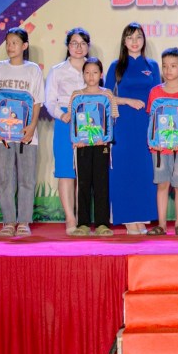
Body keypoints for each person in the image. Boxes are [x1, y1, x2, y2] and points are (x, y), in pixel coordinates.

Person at [0, 27, 44, 238]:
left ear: (24, 46)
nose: (10, 47)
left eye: (15, 43)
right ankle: (9, 221)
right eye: (8, 43)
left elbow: (37, 102)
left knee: (27, 178)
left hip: (27, 135)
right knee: (5, 178)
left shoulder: (33, 70)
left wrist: (32, 126)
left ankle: (24, 221)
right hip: (2, 134)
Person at [105, 23, 160, 236]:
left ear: (144, 40)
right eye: (130, 37)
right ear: (124, 42)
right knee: (124, 169)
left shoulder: (152, 65)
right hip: (123, 125)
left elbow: (158, 95)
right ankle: (127, 218)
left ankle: (142, 217)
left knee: (145, 171)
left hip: (147, 124)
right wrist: (127, 101)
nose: (134, 42)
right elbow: (106, 96)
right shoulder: (116, 66)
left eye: (138, 37)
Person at [63, 57, 118, 237]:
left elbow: (113, 118)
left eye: (95, 72)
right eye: (87, 72)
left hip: (102, 145)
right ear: (83, 75)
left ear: (101, 75)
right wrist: (76, 139)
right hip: (82, 146)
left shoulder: (107, 94)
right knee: (83, 184)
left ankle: (102, 223)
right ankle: (83, 224)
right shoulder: (76, 95)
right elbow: (72, 119)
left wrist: (106, 138)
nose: (91, 76)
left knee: (102, 184)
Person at [146, 48, 178, 236]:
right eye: (165, 66)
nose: (168, 70)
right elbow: (152, 120)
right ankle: (161, 224)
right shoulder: (155, 92)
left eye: (173, 66)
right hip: (159, 149)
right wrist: (154, 142)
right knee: (162, 184)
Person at [45, 27, 90, 235]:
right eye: (74, 43)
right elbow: (49, 100)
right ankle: (70, 218)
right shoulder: (58, 71)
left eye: (82, 43)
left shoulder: (93, 67)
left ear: (88, 46)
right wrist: (61, 114)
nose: (78, 47)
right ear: (67, 46)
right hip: (66, 121)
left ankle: (83, 218)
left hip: (90, 122)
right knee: (66, 171)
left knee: (86, 172)